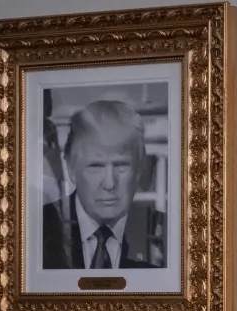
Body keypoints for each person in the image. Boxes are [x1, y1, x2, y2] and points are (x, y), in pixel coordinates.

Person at [42, 100, 164, 269]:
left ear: (138, 169)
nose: (109, 184)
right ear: (71, 168)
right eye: (95, 166)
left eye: (121, 165)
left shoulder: (169, 235)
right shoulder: (35, 230)